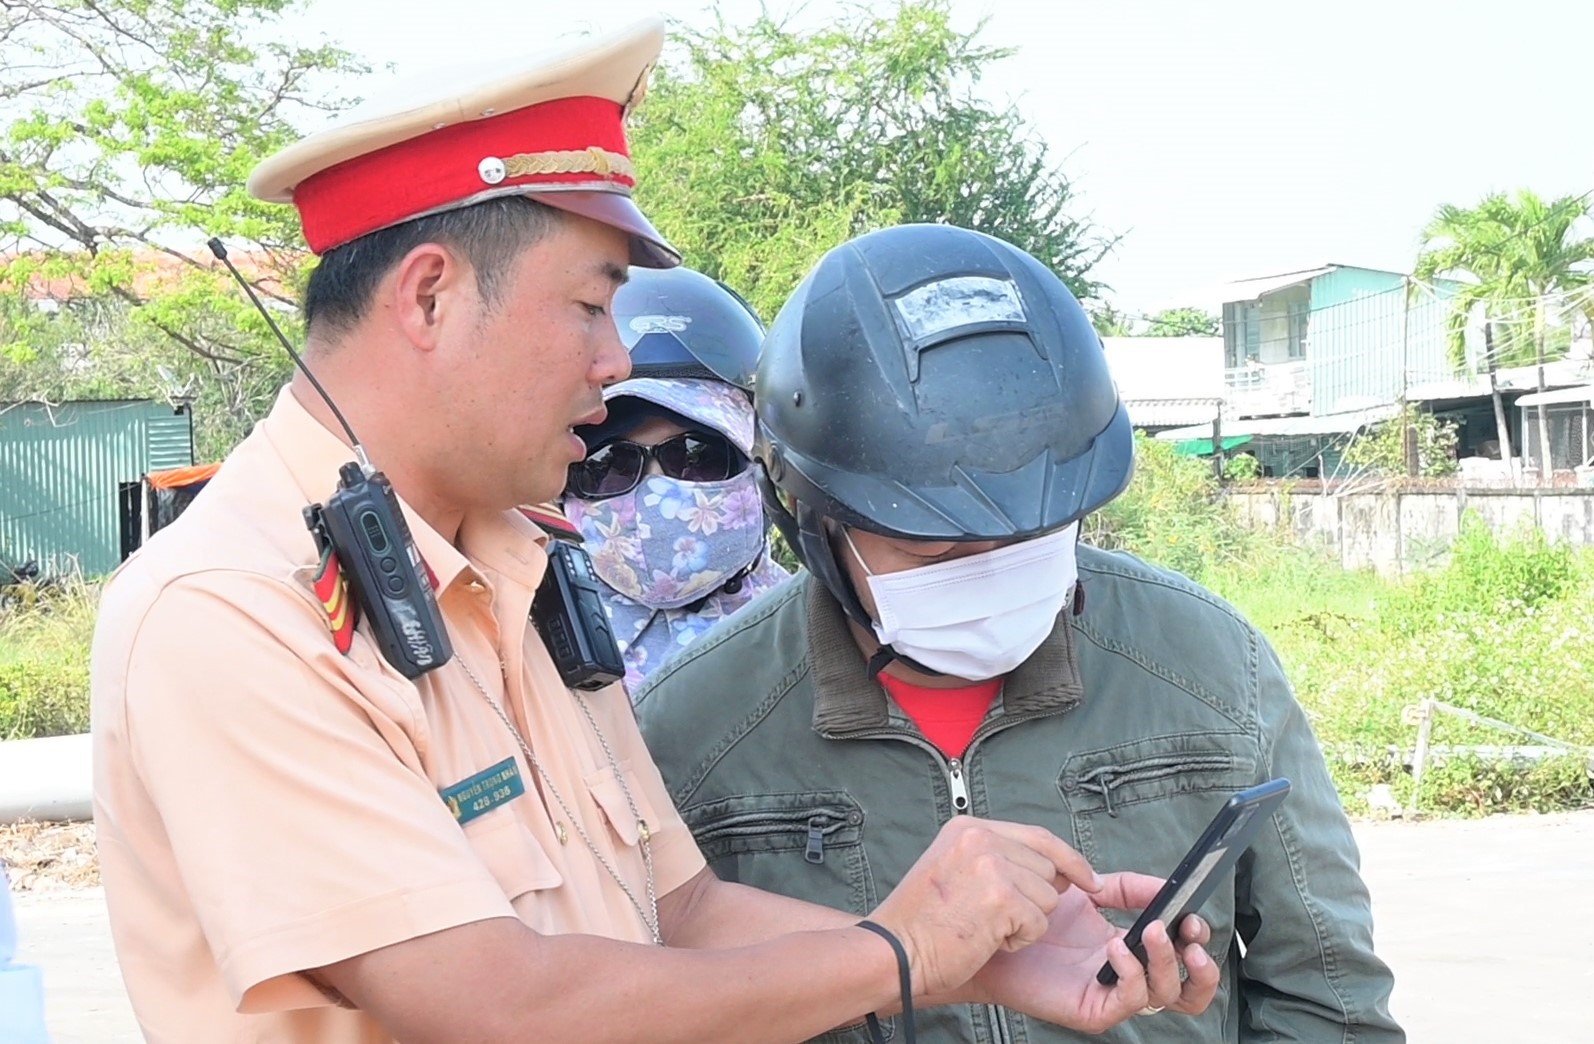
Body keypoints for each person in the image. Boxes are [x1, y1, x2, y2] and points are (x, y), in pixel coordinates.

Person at [89, 19, 1218, 1043]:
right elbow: (493, 1002)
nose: (616, 361)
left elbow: (676, 908)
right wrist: (902, 950)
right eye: (589, 305)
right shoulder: (235, 612)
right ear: (429, 298)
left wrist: (977, 958)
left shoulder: (517, 567)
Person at [636, 223, 1404, 1042]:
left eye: (1033, 536)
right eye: (934, 543)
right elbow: (663, 1000)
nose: (994, 568)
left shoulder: (1210, 663)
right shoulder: (694, 726)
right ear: (812, 517)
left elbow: (1330, 996)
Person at [563, 265, 789, 693]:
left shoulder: (824, 635)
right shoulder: (527, 651)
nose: (656, 491)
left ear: (758, 462)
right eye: (610, 464)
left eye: (695, 456)